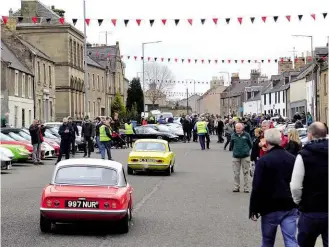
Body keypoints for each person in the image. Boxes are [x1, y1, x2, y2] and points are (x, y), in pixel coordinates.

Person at [249, 128, 298, 246]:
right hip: (289, 204)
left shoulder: (264, 161)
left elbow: (257, 186)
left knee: (267, 241)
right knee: (291, 240)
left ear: (266, 141)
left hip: (269, 206)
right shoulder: (292, 158)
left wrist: (254, 208)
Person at [290, 122, 328, 247]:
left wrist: (298, 201)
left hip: (310, 209)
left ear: (310, 135)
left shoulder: (304, 155)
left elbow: (296, 186)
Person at [231, 123, 252, 193]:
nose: (237, 130)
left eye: (239, 128)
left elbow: (250, 144)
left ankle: (246, 188)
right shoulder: (233, 135)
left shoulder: (246, 135)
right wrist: (235, 150)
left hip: (245, 156)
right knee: (236, 173)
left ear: (242, 128)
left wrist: (246, 150)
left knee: (246, 173)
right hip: (236, 156)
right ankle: (236, 187)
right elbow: (231, 145)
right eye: (236, 128)